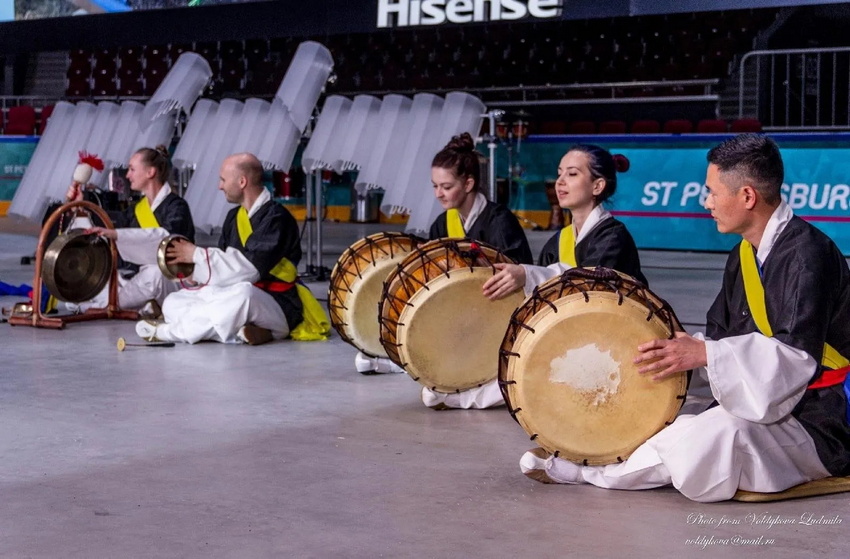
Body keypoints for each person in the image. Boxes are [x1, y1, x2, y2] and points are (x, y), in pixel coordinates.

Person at [519, 134, 850, 502]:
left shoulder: (808, 254)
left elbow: (794, 360)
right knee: (673, 422)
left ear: (747, 197)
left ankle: (594, 474)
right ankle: (600, 465)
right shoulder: (742, 257)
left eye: (711, 192)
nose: (706, 202)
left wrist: (705, 354)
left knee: (715, 437)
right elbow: (722, 336)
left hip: (819, 420)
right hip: (771, 404)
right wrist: (677, 347)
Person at [355, 133, 533, 381]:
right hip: (461, 313)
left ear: (468, 184)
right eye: (435, 186)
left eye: (446, 187)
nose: (438, 193)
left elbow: (517, 279)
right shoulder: (443, 223)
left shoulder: (499, 222)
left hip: (496, 313)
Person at [134, 152, 329, 345]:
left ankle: (168, 332)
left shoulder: (276, 219)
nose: (220, 186)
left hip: (277, 302)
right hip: (235, 294)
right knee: (173, 302)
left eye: (223, 180)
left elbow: (248, 270)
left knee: (243, 295)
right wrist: (196, 274)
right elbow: (224, 272)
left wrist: (196, 254)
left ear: (242, 182)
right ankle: (246, 332)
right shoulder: (233, 217)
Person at [482, 144, 646, 305]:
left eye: (572, 174)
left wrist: (528, 275)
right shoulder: (556, 242)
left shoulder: (613, 238)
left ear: (597, 186)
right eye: (559, 174)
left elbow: (587, 286)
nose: (560, 181)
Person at [66, 145, 195, 314]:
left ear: (150, 172)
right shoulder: (136, 209)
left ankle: (111, 306)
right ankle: (141, 305)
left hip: (171, 278)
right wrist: (82, 206)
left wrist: (118, 234)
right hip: (138, 280)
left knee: (154, 275)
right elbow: (108, 226)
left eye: (132, 169)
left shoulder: (177, 207)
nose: (127, 175)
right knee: (96, 281)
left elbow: (165, 240)